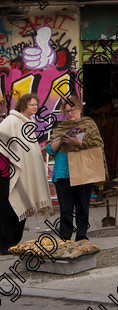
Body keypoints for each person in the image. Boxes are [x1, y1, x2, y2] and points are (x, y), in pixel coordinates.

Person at [46, 95, 107, 242]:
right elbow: (49, 149)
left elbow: (97, 144)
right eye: (67, 111)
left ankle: (81, 237)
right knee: (65, 209)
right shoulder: (61, 127)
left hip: (82, 171)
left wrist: (78, 142)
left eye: (72, 110)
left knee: (82, 206)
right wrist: (60, 140)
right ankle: (65, 239)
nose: (70, 113)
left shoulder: (89, 124)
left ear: (79, 108)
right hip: (63, 173)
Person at [0, 93, 52, 255]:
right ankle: (4, 244)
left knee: (22, 205)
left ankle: (14, 241)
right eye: (32, 104)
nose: (35, 107)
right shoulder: (11, 121)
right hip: (8, 173)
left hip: (24, 176)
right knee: (9, 208)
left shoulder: (28, 123)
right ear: (23, 105)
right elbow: (2, 141)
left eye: (36, 104)